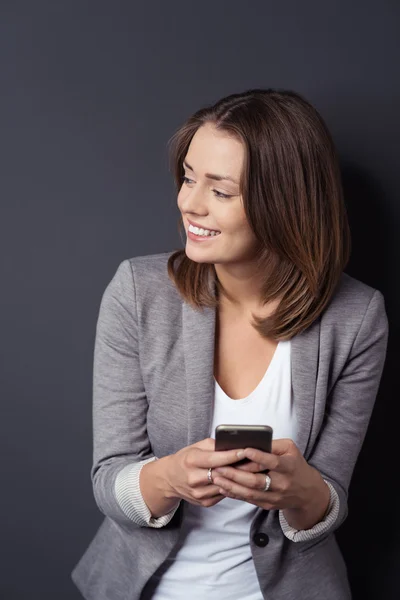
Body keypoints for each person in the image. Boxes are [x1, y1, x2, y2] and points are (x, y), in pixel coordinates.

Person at [71, 88, 389, 600]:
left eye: (219, 191)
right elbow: (109, 480)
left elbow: (329, 502)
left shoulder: (357, 317)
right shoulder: (138, 291)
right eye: (189, 177)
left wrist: (299, 490)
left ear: (285, 202)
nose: (188, 202)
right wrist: (167, 478)